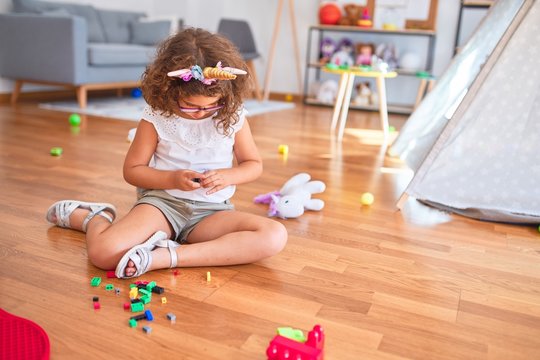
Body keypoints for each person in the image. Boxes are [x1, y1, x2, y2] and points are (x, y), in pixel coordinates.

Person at [46, 28, 288, 278]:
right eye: (190, 106)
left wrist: (228, 176)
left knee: (274, 236)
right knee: (102, 254)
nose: (201, 113)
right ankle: (95, 219)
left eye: (211, 105)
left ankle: (164, 257)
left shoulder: (233, 117)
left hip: (212, 213)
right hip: (162, 206)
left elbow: (253, 164)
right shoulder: (156, 117)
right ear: (169, 91)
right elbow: (132, 171)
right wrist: (172, 180)